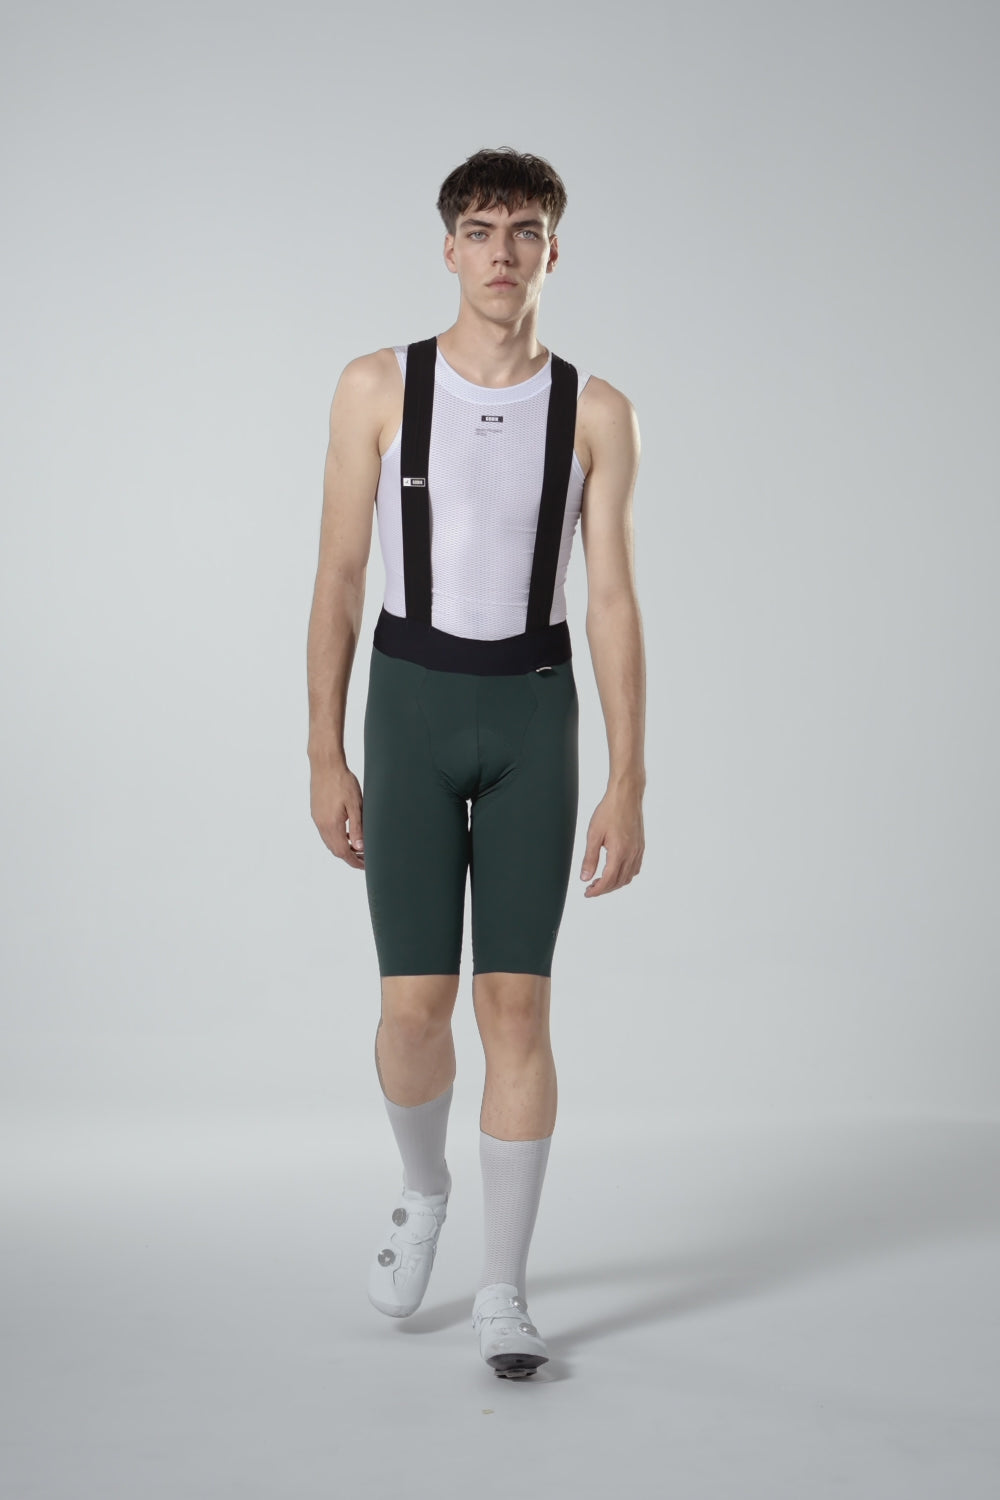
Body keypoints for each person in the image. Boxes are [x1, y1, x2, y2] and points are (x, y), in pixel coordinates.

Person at [306, 146, 645, 1378]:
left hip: (531, 720)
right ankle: (423, 1189)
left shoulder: (594, 411)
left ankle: (503, 1290)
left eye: (526, 231)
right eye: (483, 231)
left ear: (555, 251)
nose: (503, 254)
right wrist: (323, 749)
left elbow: (610, 602)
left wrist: (627, 778)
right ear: (448, 248)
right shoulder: (376, 386)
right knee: (413, 1013)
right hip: (408, 711)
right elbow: (341, 577)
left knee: (516, 1007)